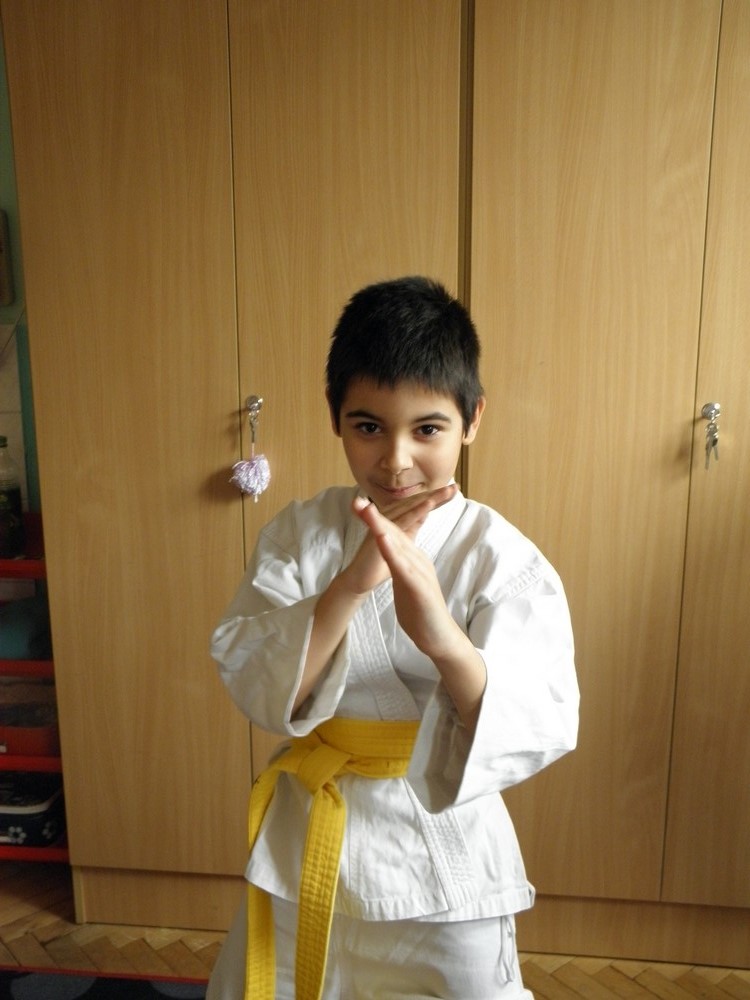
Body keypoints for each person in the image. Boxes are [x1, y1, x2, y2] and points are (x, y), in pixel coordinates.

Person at [207, 276, 579, 1000]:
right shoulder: (300, 535)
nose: (396, 460)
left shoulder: (501, 559)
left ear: (472, 419)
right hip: (310, 834)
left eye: (427, 429)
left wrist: (443, 640)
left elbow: (536, 718)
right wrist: (349, 587)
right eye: (369, 427)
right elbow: (260, 681)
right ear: (335, 416)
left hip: (443, 852)